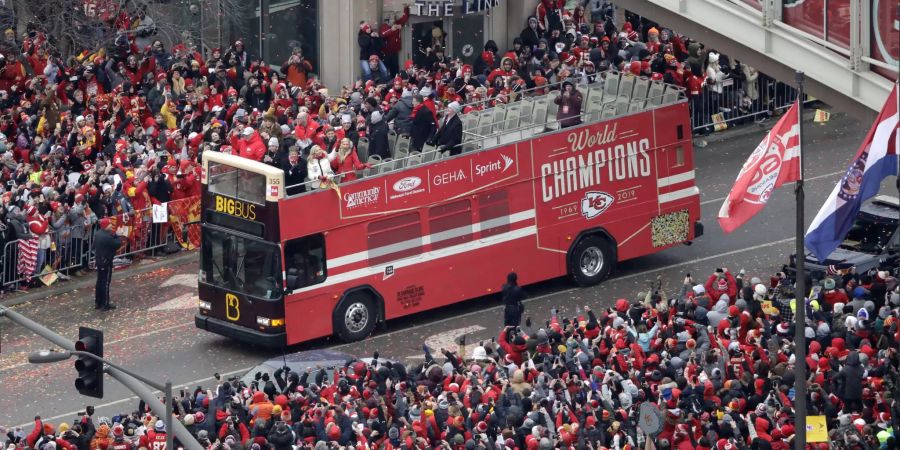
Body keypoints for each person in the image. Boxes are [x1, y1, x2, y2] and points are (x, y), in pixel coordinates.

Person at [93, 217, 125, 310]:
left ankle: (98, 302)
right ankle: (105, 303)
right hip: (106, 261)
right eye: (110, 224)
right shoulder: (106, 236)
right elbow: (117, 244)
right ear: (105, 226)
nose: (111, 226)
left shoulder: (98, 234)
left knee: (99, 281)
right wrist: (119, 235)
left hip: (99, 260)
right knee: (105, 282)